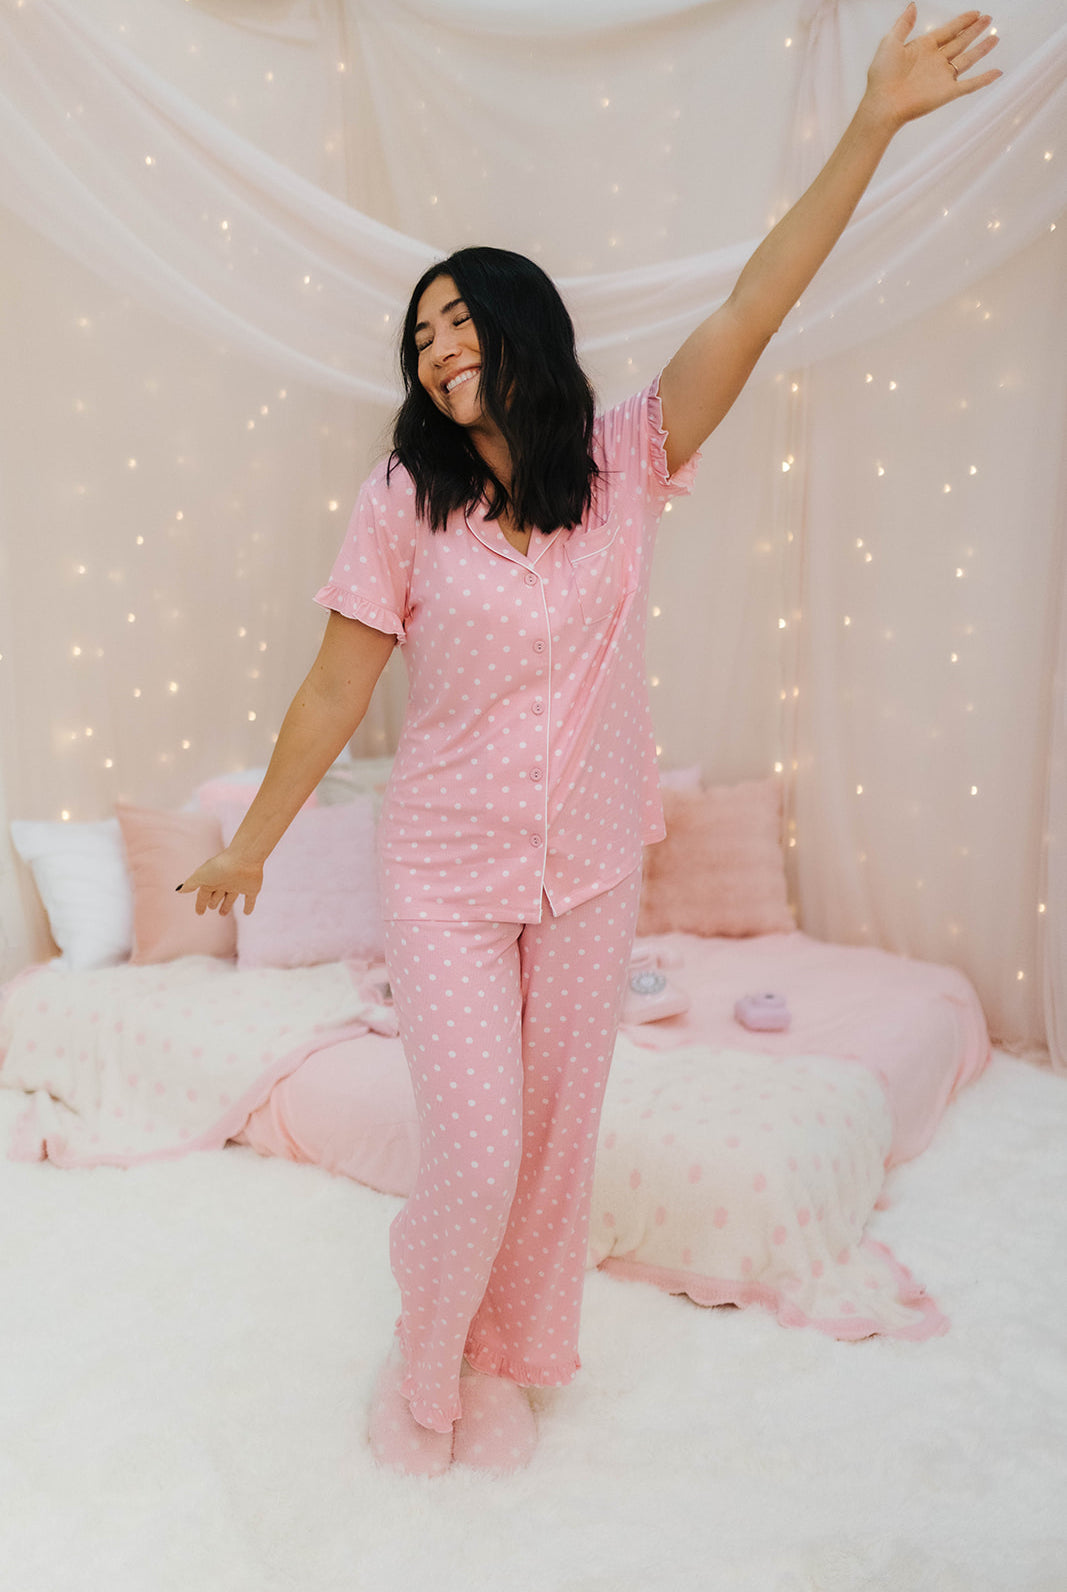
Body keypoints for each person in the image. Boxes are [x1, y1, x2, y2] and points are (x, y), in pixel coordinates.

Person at [179, 6, 1001, 1476]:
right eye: (419, 340)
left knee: (555, 1152)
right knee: (480, 1148)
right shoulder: (401, 504)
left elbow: (755, 302)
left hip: (588, 869)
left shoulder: (628, 459)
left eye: (458, 324)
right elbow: (327, 694)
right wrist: (250, 844)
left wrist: (871, 122)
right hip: (441, 869)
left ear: (522, 329)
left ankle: (507, 1355)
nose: (438, 355)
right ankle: (423, 1362)